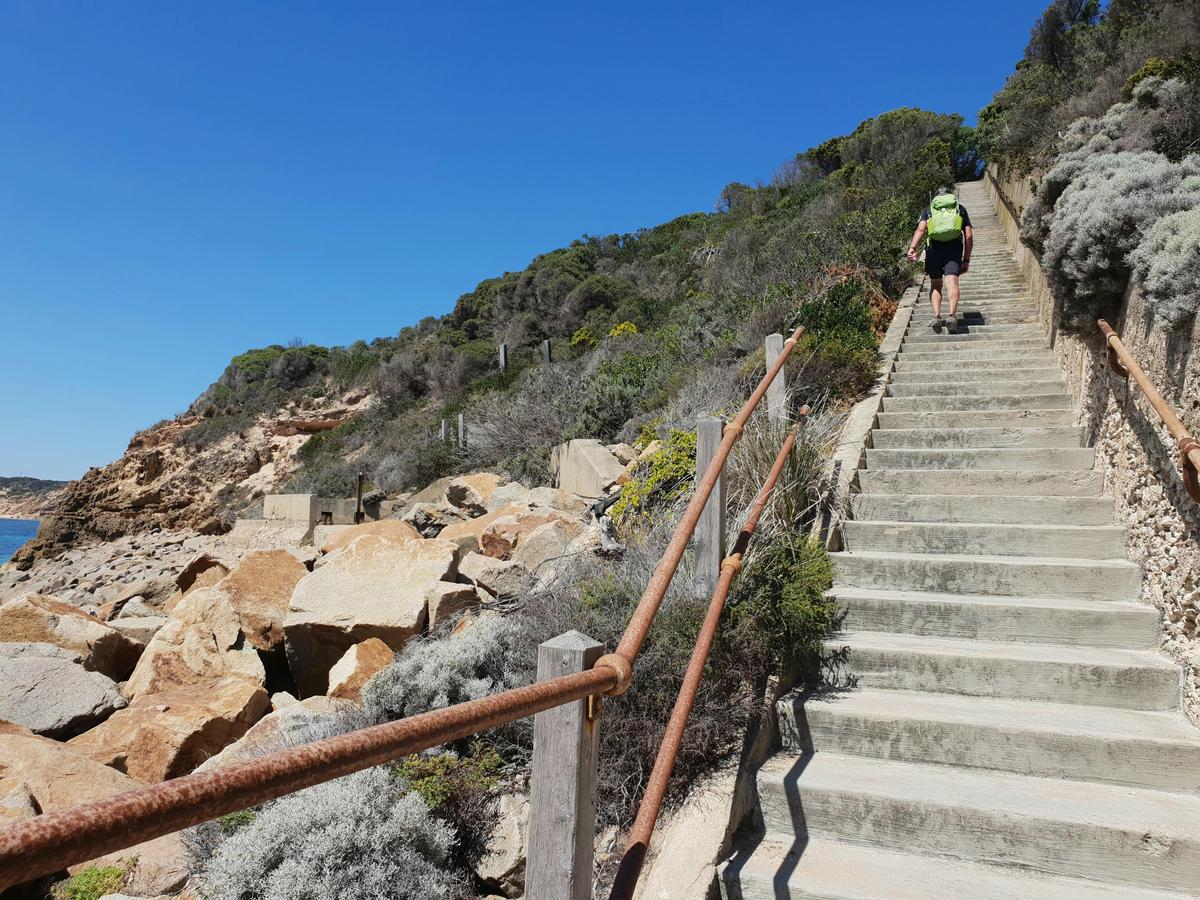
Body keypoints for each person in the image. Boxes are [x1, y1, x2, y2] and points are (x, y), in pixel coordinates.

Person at [907, 187, 973, 332]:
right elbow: (968, 235)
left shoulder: (929, 210)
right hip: (954, 248)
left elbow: (921, 230)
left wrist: (912, 248)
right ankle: (952, 316)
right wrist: (966, 260)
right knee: (951, 282)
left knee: (936, 284)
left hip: (934, 250)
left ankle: (937, 316)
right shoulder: (959, 209)